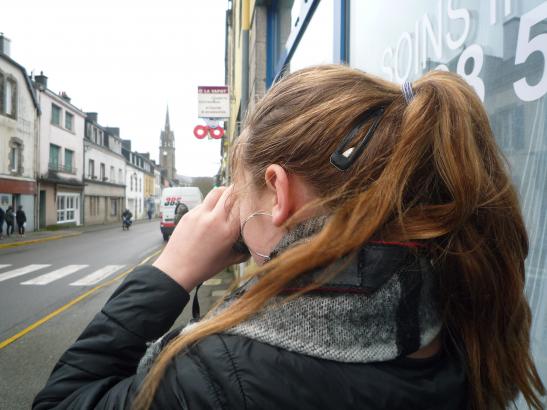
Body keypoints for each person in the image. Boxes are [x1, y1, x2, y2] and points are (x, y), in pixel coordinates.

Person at [34, 66, 545, 410]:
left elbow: (62, 400)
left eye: (241, 194)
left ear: (277, 190)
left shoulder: (214, 373)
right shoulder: (457, 307)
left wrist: (169, 272)